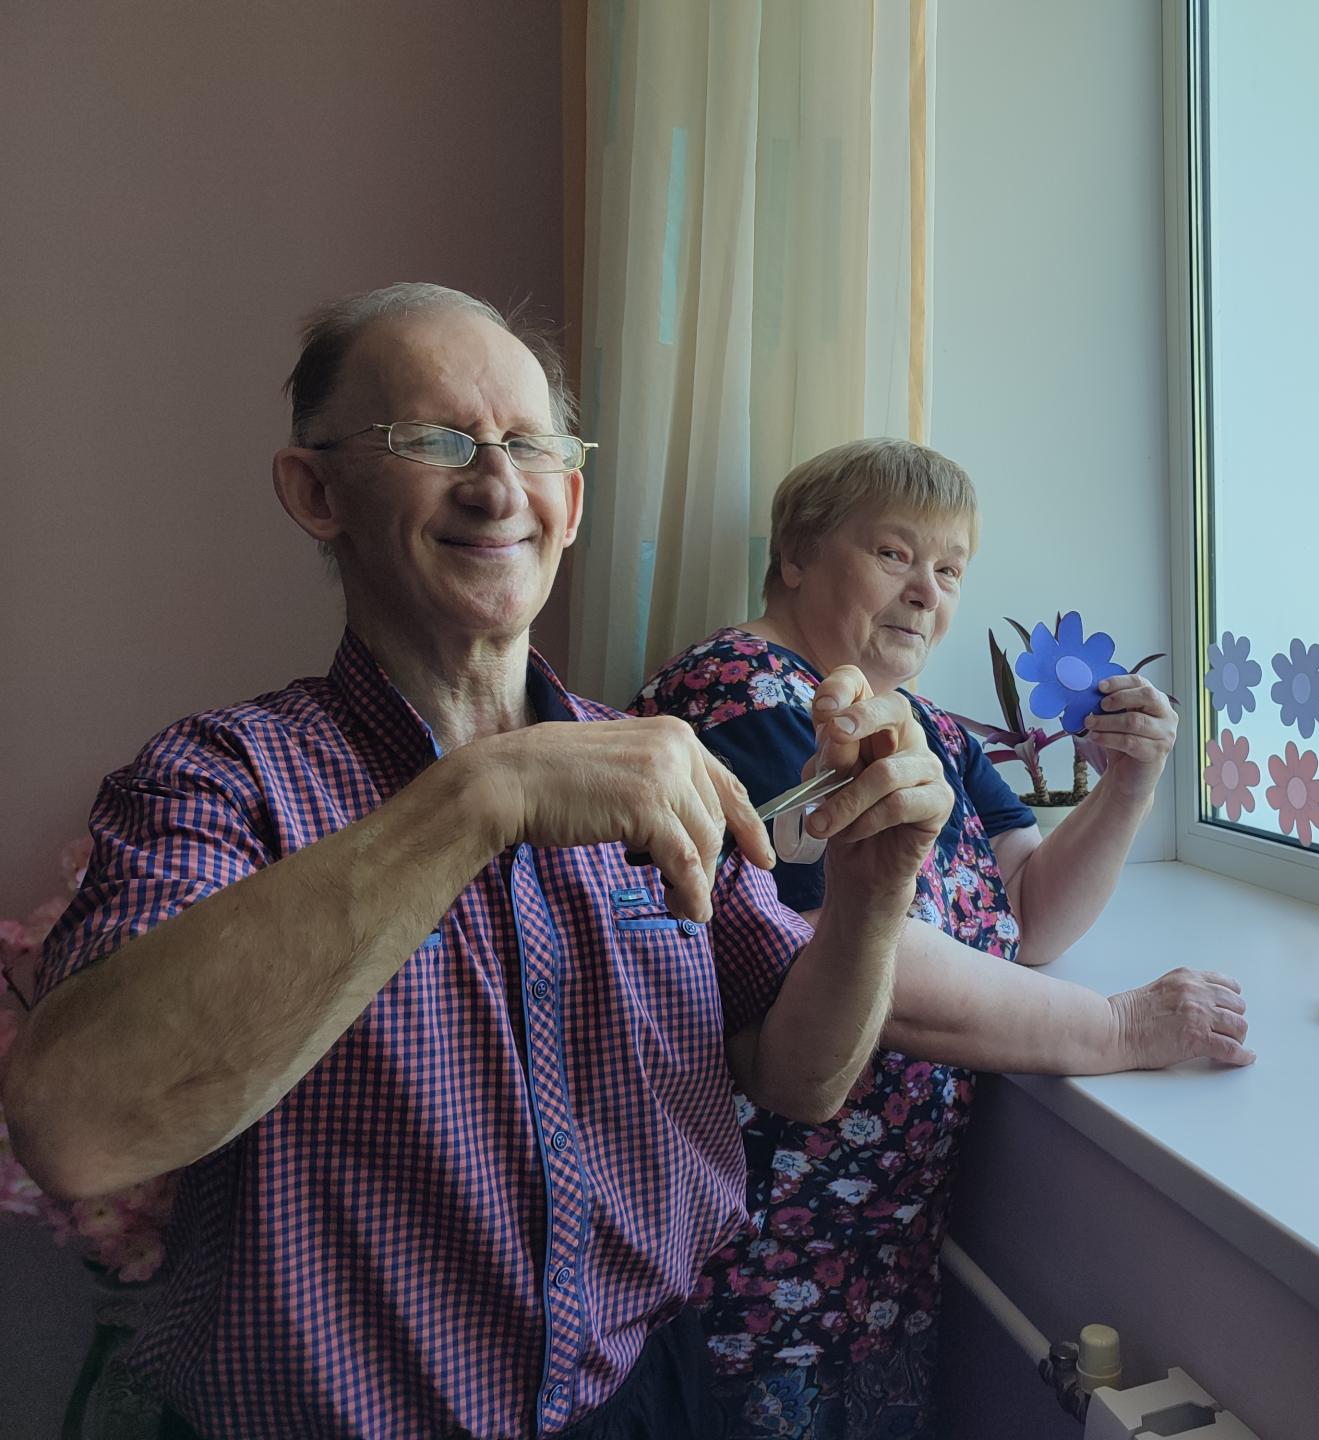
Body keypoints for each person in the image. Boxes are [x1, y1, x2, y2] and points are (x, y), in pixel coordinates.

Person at [0, 285, 958, 1440]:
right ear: (315, 492)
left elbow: (799, 1076)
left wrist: (873, 891)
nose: (498, 485)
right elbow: (79, 1129)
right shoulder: (216, 781)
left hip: (648, 1401)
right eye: (437, 440)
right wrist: (482, 798)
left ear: (572, 499)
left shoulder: (659, 765)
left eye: (531, 446)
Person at [634, 437, 1254, 1439]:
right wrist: (1121, 1029)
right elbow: (862, 955)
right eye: (894, 554)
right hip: (757, 1268)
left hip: (868, 1260)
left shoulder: (931, 730)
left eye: (951, 569)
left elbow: (1031, 913)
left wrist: (1131, 785)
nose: (927, 591)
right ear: (795, 556)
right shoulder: (747, 697)